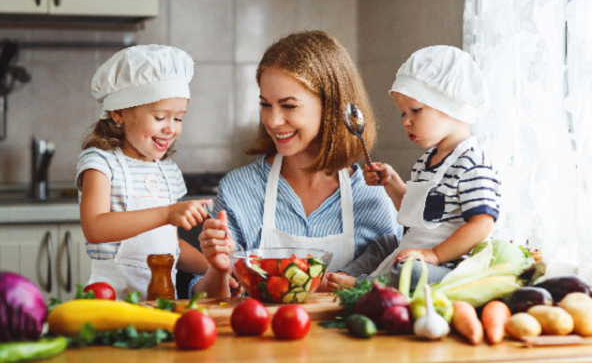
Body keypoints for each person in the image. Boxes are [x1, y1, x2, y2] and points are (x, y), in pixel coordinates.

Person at [192, 30, 404, 297]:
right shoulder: (238, 190)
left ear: (331, 106)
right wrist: (218, 270)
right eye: (265, 104)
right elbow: (206, 302)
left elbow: (392, 292)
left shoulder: (375, 196)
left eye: (289, 106)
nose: (272, 120)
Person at [327, 45, 501, 290]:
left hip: (450, 265)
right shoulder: (426, 161)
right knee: (385, 243)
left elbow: (482, 225)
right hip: (420, 250)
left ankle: (362, 286)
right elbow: (416, 214)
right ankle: (344, 276)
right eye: (403, 114)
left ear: (450, 105)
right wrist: (392, 182)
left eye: (415, 111)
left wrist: (435, 255)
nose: (406, 121)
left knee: (412, 271)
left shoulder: (473, 164)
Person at [76, 45, 211, 301]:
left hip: (161, 302)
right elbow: (95, 228)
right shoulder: (100, 162)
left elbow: (171, 247)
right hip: (111, 303)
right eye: (160, 117)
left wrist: (215, 268)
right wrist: (168, 213)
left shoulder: (167, 170)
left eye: (179, 118)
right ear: (119, 113)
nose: (171, 129)